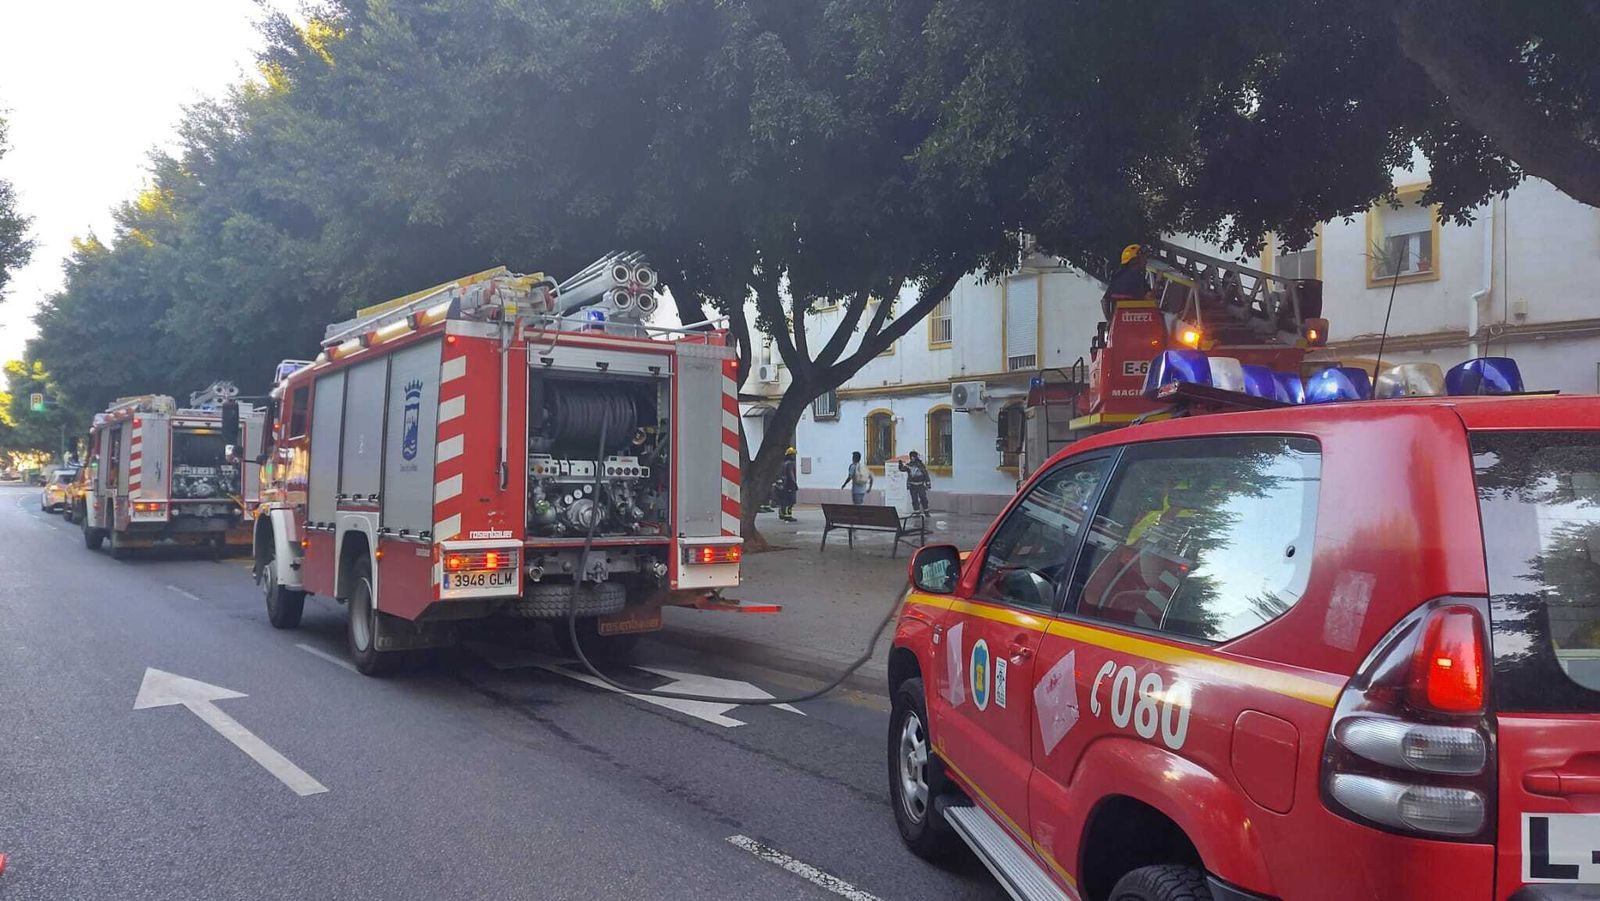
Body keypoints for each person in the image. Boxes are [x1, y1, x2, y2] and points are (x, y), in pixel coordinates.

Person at [1101, 243, 1151, 318]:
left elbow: (1104, 300)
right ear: (1134, 260)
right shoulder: (1138, 278)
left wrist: (1109, 321)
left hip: (1118, 326)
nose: (1146, 261)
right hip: (1139, 323)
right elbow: (1150, 298)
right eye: (1143, 258)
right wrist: (1158, 281)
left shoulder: (1117, 278)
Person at [898, 450, 932, 515]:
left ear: (916, 457)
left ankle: (926, 511)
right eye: (911, 457)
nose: (912, 458)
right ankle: (917, 512)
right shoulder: (909, 465)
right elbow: (902, 469)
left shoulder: (921, 465)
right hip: (912, 485)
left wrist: (928, 483)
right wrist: (900, 464)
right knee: (914, 500)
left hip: (920, 485)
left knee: (923, 498)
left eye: (914, 457)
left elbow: (925, 474)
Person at [776, 447, 799, 522]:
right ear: (790, 455)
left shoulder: (784, 463)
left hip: (784, 484)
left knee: (784, 500)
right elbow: (791, 474)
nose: (794, 456)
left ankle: (782, 514)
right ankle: (788, 515)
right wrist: (794, 483)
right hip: (790, 484)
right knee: (791, 501)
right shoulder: (790, 464)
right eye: (793, 454)